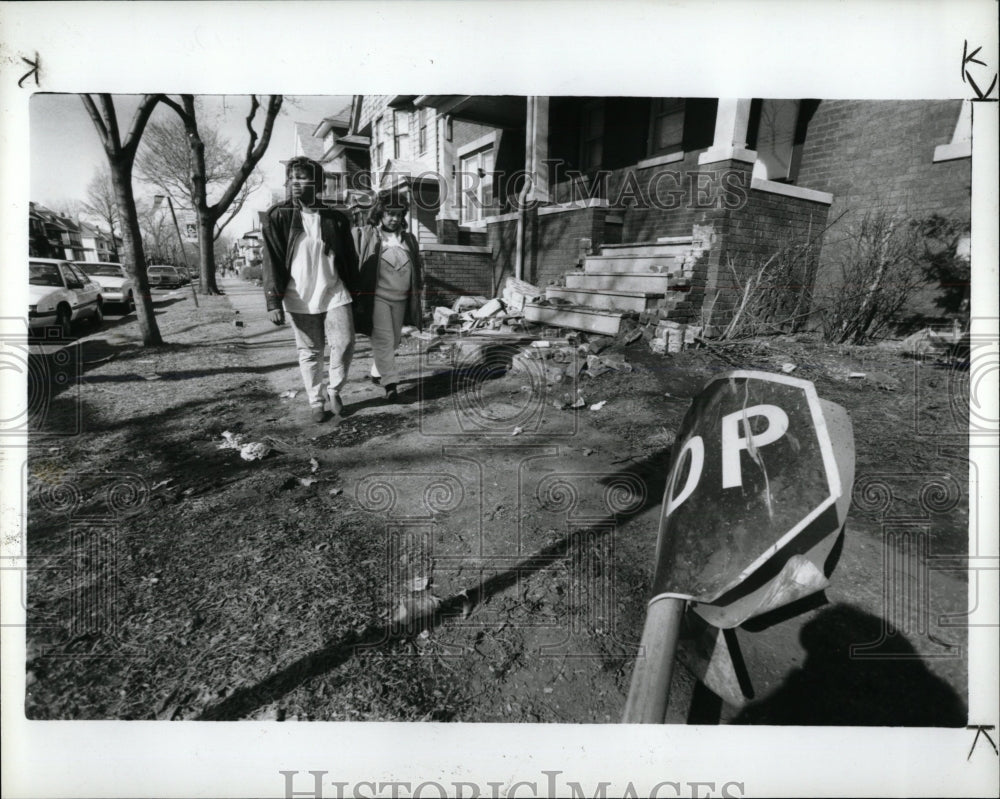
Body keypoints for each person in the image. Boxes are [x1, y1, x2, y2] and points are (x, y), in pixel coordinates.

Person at [261, 157, 359, 423]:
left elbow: (350, 259)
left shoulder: (336, 219)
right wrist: (273, 301)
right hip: (298, 296)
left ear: (317, 184)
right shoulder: (278, 216)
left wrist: (359, 294)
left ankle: (334, 388)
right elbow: (271, 260)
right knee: (310, 351)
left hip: (334, 291)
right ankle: (316, 402)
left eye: (302, 177)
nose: (295, 182)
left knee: (345, 342)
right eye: (292, 177)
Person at [353, 190, 423, 402]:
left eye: (399, 214)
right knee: (383, 340)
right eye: (390, 213)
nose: (395, 218)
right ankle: (391, 385)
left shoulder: (409, 239)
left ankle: (377, 371)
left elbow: (417, 268)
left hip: (401, 298)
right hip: (378, 298)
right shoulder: (369, 235)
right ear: (380, 213)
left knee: (393, 342)